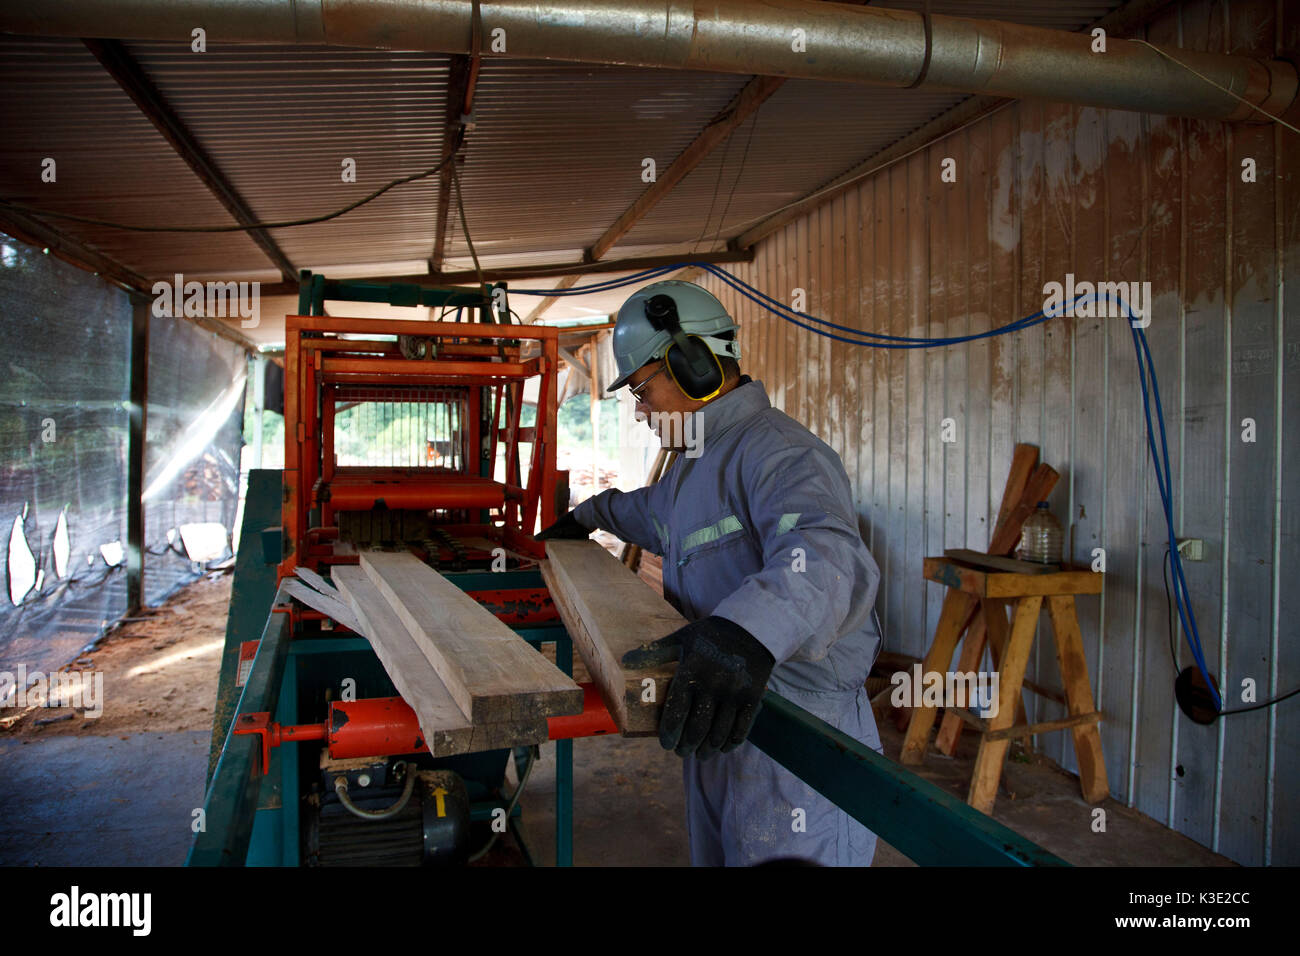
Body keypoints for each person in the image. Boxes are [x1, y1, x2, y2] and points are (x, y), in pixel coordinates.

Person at [537, 279, 883, 866]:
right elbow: (650, 513)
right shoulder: (697, 465)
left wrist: (746, 631)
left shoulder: (779, 452)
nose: (642, 413)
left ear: (693, 363)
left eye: (644, 391)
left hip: (798, 736)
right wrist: (586, 516)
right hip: (721, 710)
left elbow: (825, 555)